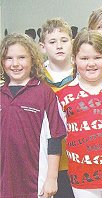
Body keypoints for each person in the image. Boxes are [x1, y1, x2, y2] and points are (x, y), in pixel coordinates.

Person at [55, 29, 102, 198]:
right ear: (74, 59)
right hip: (82, 177)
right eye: (84, 58)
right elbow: (60, 135)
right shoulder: (62, 96)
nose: (91, 63)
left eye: (97, 57)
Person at [0, 33, 66, 197]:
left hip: (36, 182)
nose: (15, 64)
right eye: (9, 58)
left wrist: (52, 178)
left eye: (22, 57)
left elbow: (55, 140)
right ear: (2, 62)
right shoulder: (1, 93)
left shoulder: (44, 93)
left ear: (32, 60)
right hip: (4, 182)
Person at [39, 17, 75, 198]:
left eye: (64, 40)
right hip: (48, 162)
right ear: (42, 47)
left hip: (81, 159)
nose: (59, 46)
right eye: (52, 42)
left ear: (72, 42)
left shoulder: (85, 72)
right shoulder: (36, 79)